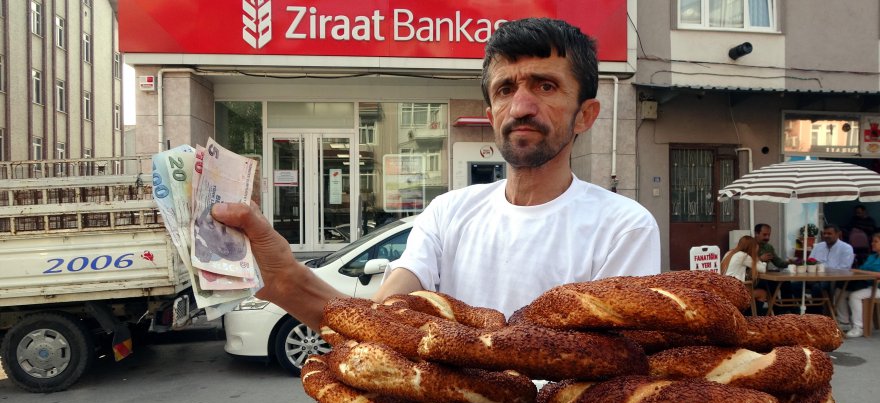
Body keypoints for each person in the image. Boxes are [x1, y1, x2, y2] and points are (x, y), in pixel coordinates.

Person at [209, 18, 661, 329]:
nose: (522, 106)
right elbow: (384, 323)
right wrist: (287, 281)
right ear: (491, 112)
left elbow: (610, 368)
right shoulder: (448, 212)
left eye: (546, 85)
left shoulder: (623, 226)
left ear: (585, 115)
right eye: (506, 88)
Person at [836, 232, 880, 338]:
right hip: (867, 285)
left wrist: (861, 272)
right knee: (840, 291)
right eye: (872, 241)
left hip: (877, 288)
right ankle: (844, 322)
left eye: (876, 241)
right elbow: (861, 270)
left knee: (855, 296)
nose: (872, 244)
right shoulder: (872, 257)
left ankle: (859, 327)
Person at [720, 235, 768, 308]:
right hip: (736, 291)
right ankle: (756, 317)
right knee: (762, 293)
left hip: (725, 290)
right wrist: (756, 255)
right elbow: (762, 269)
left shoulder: (729, 253)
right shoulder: (743, 256)